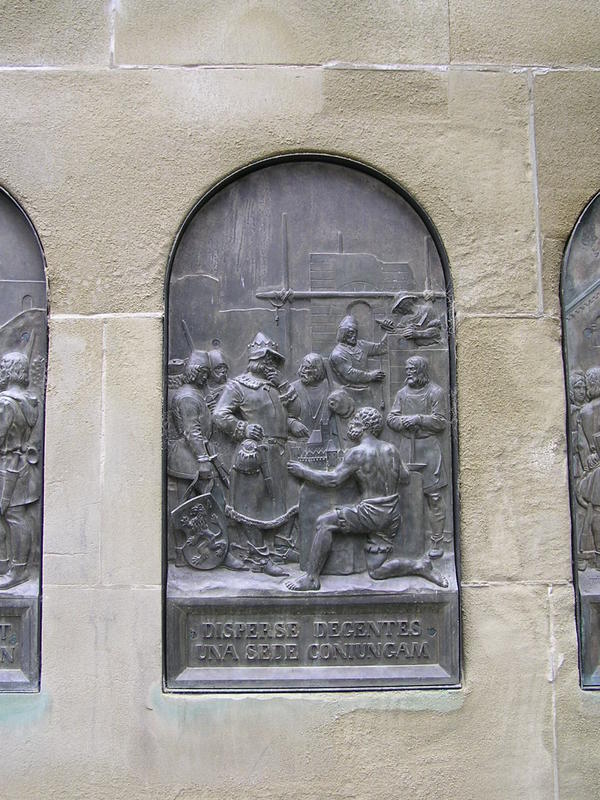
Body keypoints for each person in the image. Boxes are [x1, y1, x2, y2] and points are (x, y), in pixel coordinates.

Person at [286, 406, 446, 590]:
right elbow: (405, 477)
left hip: (371, 512)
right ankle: (419, 565)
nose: (351, 425)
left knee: (324, 522)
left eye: (355, 421)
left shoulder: (357, 453)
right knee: (376, 571)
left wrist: (303, 471)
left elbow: (333, 480)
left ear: (364, 426)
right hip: (392, 514)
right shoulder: (391, 449)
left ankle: (311, 578)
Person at [213, 332, 309, 575]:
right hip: (254, 454)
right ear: (254, 360)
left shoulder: (277, 386)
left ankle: (282, 548)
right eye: (266, 359)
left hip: (280, 453)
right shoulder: (238, 385)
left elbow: (295, 410)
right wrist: (242, 428)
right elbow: (220, 414)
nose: (270, 364)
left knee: (290, 500)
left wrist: (284, 388)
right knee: (251, 505)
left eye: (273, 360)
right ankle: (259, 556)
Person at [167, 349, 239, 569]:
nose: (206, 378)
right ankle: (186, 554)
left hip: (195, 456)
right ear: (196, 372)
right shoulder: (188, 397)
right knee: (191, 508)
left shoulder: (193, 394)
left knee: (208, 503)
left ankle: (218, 551)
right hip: (188, 460)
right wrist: (203, 459)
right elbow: (192, 431)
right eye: (204, 373)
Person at [386, 355, 447, 558]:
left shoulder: (435, 392)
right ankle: (405, 541)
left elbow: (440, 421)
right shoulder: (402, 394)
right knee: (404, 494)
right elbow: (391, 418)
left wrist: (419, 419)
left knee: (434, 497)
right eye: (407, 369)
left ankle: (436, 541)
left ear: (421, 370)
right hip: (406, 447)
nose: (408, 373)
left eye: (412, 369)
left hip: (428, 448)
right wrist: (403, 422)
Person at [0, 351, 41, 590]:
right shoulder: (30, 401)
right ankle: (10, 565)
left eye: (3, 367)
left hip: (7, 466)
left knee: (13, 517)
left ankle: (18, 569)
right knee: (16, 516)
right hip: (23, 466)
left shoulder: (5, 403)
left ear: (9, 371)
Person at [329, 315, 387, 405]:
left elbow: (381, 348)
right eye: (350, 333)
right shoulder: (337, 354)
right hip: (348, 395)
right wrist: (371, 376)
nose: (354, 336)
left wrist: (388, 332)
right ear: (343, 333)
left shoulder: (362, 345)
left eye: (355, 332)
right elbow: (349, 374)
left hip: (366, 392)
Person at [576, 367, 600, 568]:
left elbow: (583, 445)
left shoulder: (585, 411)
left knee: (595, 511)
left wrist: (587, 466)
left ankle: (595, 555)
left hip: (593, 466)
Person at [288, 353, 332, 434]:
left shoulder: (332, 389)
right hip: (300, 438)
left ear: (318, 370)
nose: (302, 371)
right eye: (302, 367)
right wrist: (292, 423)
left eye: (307, 368)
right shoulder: (292, 389)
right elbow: (277, 415)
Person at [378, 291, 442, 346]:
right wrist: (389, 326)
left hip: (430, 347)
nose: (400, 309)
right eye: (399, 307)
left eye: (401, 305)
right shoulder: (405, 319)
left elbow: (437, 331)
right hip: (410, 348)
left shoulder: (427, 310)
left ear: (407, 301)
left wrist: (418, 334)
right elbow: (398, 331)